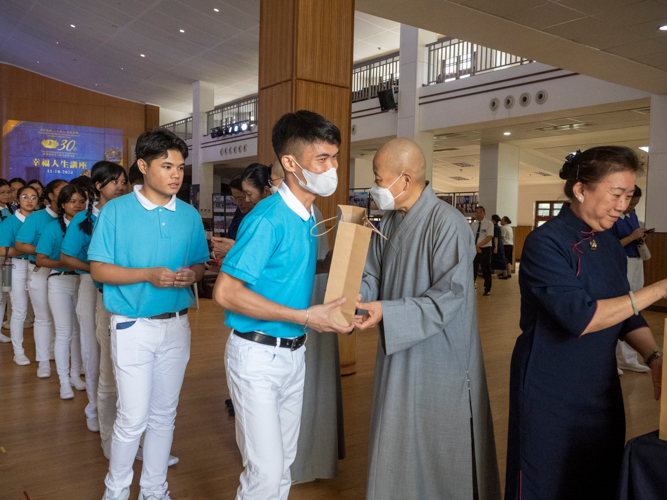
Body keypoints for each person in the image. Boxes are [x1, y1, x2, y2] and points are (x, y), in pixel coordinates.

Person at [505, 147, 665, 500]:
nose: (623, 205)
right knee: (546, 483)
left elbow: (627, 312)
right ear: (580, 190)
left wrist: (653, 356)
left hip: (600, 388)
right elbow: (582, 316)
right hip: (550, 389)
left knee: (600, 477)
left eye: (629, 195)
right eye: (616, 194)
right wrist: (661, 288)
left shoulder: (608, 242)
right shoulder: (545, 243)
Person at [214, 110, 353, 500]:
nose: (333, 167)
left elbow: (289, 277)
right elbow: (225, 292)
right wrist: (306, 316)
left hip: (294, 352)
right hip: (257, 356)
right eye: (322, 159)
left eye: (335, 157)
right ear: (290, 163)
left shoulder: (310, 215)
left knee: (284, 464)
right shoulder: (269, 218)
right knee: (265, 471)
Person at [354, 138, 501, 500]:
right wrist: (360, 295)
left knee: (438, 436)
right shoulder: (387, 221)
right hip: (398, 343)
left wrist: (388, 311)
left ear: (404, 180)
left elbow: (451, 296)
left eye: (377, 178)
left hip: (440, 350)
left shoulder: (448, 223)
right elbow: (372, 273)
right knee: (396, 425)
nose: (375, 187)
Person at [90, 129, 208, 500]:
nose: (176, 175)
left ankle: (154, 490)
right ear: (143, 166)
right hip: (132, 326)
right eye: (167, 165)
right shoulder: (116, 211)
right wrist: (146, 274)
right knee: (132, 416)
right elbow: (99, 270)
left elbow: (200, 266)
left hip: (176, 327)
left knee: (164, 415)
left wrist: (193, 275)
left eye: (181, 167)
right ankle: (117, 490)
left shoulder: (188, 215)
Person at [61, 161, 128, 431]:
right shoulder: (84, 218)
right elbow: (66, 257)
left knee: (116, 350)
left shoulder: (126, 213)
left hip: (121, 286)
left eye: (124, 182)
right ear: (98, 186)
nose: (121, 187)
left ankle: (117, 408)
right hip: (91, 285)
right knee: (93, 349)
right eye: (115, 182)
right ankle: (93, 407)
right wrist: (97, 270)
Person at [290, 199, 344, 484]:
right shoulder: (272, 214)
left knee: (309, 391)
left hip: (310, 316)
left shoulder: (315, 215)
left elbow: (320, 264)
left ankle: (305, 463)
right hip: (282, 324)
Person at [36, 184, 87, 399]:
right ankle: (63, 381)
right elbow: (40, 259)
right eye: (72, 201)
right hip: (59, 282)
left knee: (78, 333)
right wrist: (67, 264)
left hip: (84, 282)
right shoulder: (52, 228)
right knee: (64, 333)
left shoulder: (88, 225)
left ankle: (76, 375)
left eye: (81, 201)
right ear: (63, 204)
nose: (77, 205)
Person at [15, 178, 68, 378]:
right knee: (44, 317)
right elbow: (20, 245)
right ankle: (43, 361)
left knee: (62, 320)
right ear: (51, 196)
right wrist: (45, 251)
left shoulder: (73, 216)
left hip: (64, 274)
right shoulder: (38, 217)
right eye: (62, 191)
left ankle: (58, 354)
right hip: (40, 270)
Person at [610, 185, 652, 373]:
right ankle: (613, 360)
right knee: (621, 306)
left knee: (635, 307)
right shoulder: (611, 217)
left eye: (634, 203)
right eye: (629, 201)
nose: (631, 206)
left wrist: (639, 237)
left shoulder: (632, 215)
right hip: (621, 261)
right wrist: (632, 236)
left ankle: (628, 358)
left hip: (636, 261)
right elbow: (610, 246)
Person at [0, 185, 39, 359]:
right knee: (19, 310)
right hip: (16, 266)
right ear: (18, 199)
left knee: (42, 311)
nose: (29, 201)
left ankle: (47, 351)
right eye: (25, 197)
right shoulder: (9, 222)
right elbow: (2, 250)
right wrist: (29, 249)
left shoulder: (41, 220)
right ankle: (19, 352)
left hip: (38, 267)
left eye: (33, 197)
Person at [211, 163, 272, 261]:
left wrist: (234, 249)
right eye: (235, 199)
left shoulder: (270, 218)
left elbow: (263, 256)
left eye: (246, 195)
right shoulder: (240, 215)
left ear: (266, 192)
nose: (243, 202)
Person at [471, 206, 494, 296]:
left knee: (486, 269)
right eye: (476, 213)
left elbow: (489, 237)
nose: (478, 214)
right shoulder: (473, 224)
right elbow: (471, 237)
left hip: (485, 249)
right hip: (474, 249)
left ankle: (487, 289)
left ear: (484, 213)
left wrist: (478, 246)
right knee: (473, 269)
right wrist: (475, 247)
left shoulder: (489, 223)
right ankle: (471, 287)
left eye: (480, 212)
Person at [224, 175, 252, 241]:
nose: (238, 203)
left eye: (241, 199)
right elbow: (230, 235)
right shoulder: (238, 213)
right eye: (235, 199)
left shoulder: (260, 217)